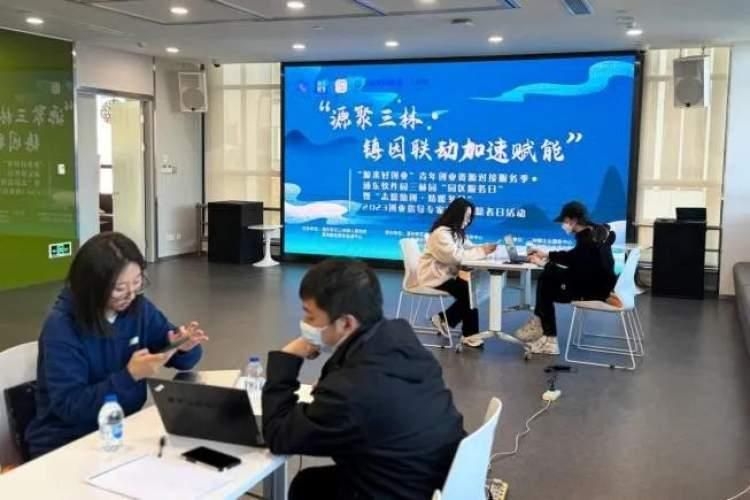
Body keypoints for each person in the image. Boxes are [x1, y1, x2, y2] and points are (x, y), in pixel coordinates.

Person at [262, 259, 465, 500]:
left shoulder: (351, 391)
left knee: (309, 487)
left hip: (396, 491)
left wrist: (289, 356)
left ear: (346, 323)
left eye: (311, 317)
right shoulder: (400, 337)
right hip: (436, 478)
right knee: (309, 484)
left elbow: (278, 435)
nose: (305, 325)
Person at [25, 232, 208, 458]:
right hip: (66, 442)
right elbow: (70, 406)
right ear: (92, 286)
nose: (131, 294)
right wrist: (129, 375)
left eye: (137, 282)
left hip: (121, 431)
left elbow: (181, 357)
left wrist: (182, 347)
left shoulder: (139, 309)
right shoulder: (62, 327)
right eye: (119, 288)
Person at [515, 201, 617, 355]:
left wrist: (545, 264)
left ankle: (547, 336)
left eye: (565, 221)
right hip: (600, 286)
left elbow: (576, 268)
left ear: (573, 220)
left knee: (546, 280)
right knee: (548, 278)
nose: (564, 225)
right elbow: (575, 258)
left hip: (593, 291)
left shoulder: (587, 240)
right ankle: (542, 329)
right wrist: (547, 256)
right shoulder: (595, 233)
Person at [417, 197, 497, 348]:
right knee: (468, 293)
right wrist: (482, 251)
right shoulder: (441, 234)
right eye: (466, 217)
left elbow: (469, 248)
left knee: (469, 291)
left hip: (446, 274)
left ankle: (450, 322)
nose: (467, 221)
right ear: (456, 215)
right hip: (435, 276)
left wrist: (485, 248)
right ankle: (467, 333)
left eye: (470, 218)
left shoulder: (455, 232)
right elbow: (456, 257)